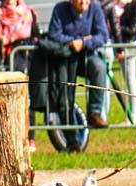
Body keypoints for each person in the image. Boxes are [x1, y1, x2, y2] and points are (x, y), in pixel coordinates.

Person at [47, 0, 110, 129]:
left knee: (99, 67)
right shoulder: (60, 9)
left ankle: (94, 112)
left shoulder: (95, 9)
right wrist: (73, 41)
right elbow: (53, 35)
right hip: (65, 58)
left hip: (87, 55)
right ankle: (65, 117)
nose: (83, 2)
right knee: (64, 89)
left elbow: (103, 35)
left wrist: (83, 43)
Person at [103, 0, 136, 124]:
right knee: (128, 79)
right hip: (122, 44)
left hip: (129, 45)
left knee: (130, 80)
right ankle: (131, 116)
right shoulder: (121, 5)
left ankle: (134, 115)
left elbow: (133, 28)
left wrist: (114, 26)